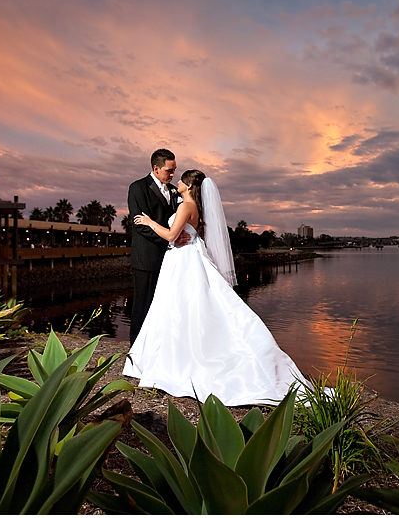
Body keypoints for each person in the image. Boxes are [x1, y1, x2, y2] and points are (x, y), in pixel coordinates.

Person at [126, 169, 311, 406]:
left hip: (182, 261)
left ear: (189, 185)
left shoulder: (185, 206)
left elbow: (172, 235)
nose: (177, 182)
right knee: (190, 307)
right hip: (187, 257)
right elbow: (190, 234)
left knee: (178, 308)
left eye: (182, 179)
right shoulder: (194, 207)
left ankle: (177, 359)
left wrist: (150, 222)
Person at [127, 149, 182, 344]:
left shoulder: (175, 191)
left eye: (174, 170)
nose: (173, 174)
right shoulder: (138, 188)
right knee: (142, 306)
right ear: (156, 168)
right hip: (146, 258)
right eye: (169, 170)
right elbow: (140, 226)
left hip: (169, 260)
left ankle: (157, 347)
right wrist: (170, 238)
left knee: (163, 306)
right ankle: (135, 351)